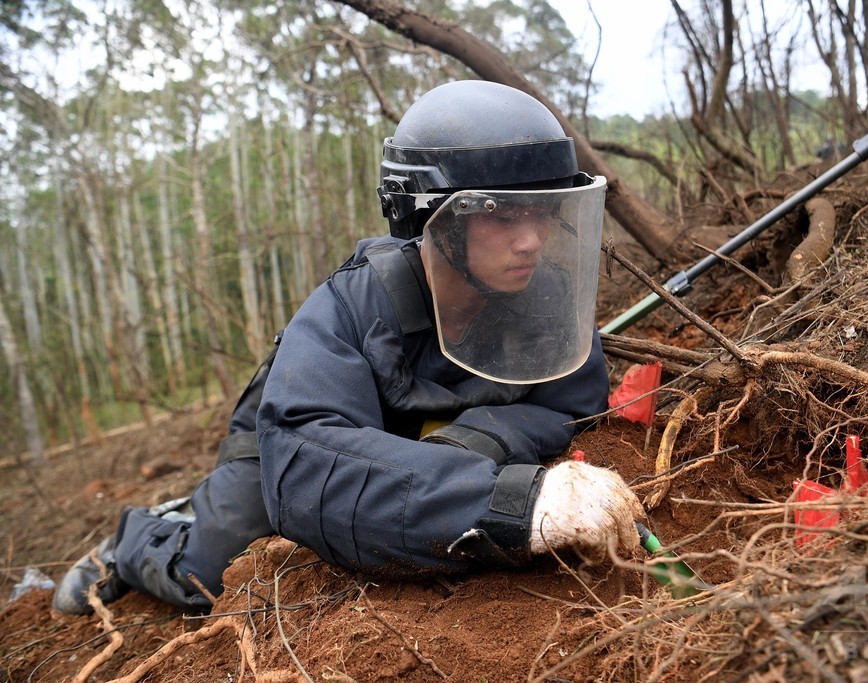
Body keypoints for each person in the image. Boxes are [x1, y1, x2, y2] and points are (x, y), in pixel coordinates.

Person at [52, 80, 646, 615]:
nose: (531, 241)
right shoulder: (348, 306)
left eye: (542, 213)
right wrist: (510, 504)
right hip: (294, 433)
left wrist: (478, 439)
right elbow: (305, 469)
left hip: (420, 437)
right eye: (499, 214)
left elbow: (572, 402)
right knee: (209, 575)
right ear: (431, 216)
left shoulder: (543, 294)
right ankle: (138, 540)